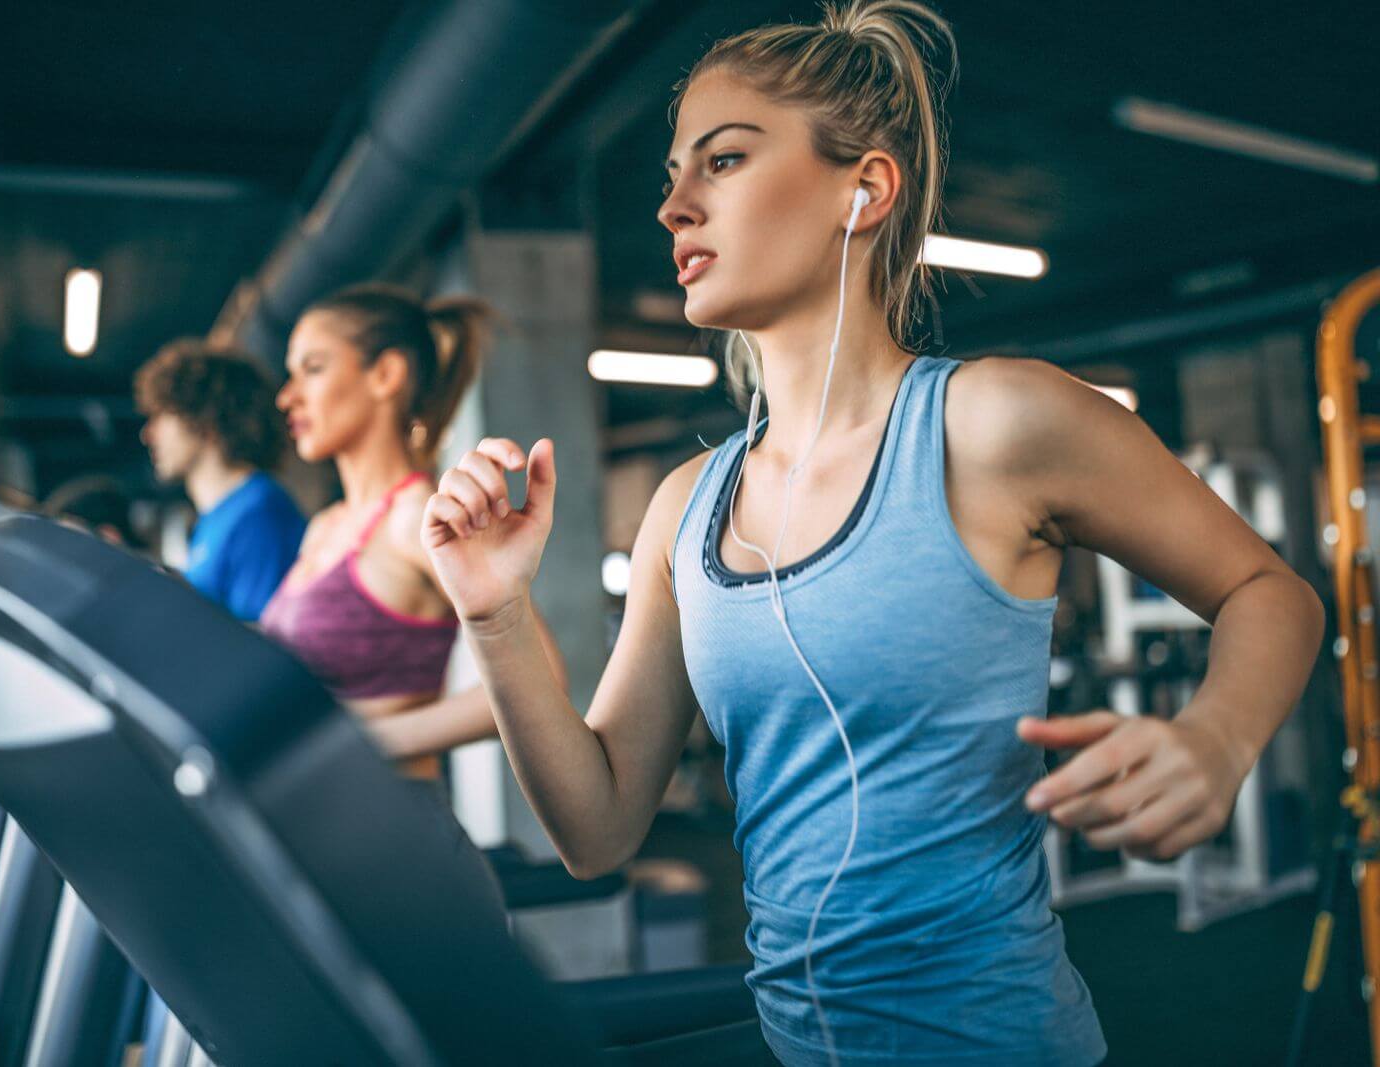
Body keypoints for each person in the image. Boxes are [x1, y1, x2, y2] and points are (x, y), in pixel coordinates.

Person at [419, 3, 1324, 1065]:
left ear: (866, 188)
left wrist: (1213, 740)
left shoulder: (993, 424)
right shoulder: (686, 504)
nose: (673, 206)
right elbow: (598, 828)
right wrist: (494, 609)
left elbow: (1271, 590)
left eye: (723, 160)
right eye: (671, 174)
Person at [260, 283, 566, 781]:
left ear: (386, 374)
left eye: (312, 369)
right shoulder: (325, 527)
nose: (287, 396)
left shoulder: (417, 518)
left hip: (391, 825)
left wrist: (364, 742)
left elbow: (543, 680)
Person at [134, 339, 305, 621]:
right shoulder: (217, 518)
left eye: (161, 417)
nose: (149, 434)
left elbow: (261, 647)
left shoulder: (259, 512)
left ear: (203, 419)